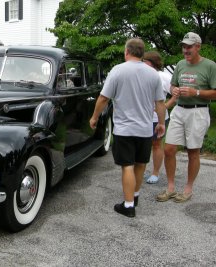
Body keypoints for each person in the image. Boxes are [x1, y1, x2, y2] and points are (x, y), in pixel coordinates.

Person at [90, 38, 166, 218]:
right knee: (140, 164)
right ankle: (135, 195)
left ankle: (128, 205)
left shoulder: (117, 71)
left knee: (127, 167)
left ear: (127, 51)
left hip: (124, 130)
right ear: (141, 53)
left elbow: (103, 98)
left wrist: (94, 118)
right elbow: (160, 102)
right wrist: (161, 123)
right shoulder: (153, 74)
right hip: (145, 129)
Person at [156, 32, 216, 203]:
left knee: (193, 151)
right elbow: (173, 84)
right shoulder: (181, 64)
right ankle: (170, 188)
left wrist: (195, 92)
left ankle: (188, 189)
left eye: (189, 46)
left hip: (198, 111)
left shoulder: (210, 66)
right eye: (184, 46)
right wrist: (174, 90)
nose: (185, 50)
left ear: (198, 46)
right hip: (179, 109)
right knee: (168, 149)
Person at [142, 51, 177, 184]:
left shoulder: (163, 76)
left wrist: (165, 106)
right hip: (141, 117)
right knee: (143, 145)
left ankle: (155, 173)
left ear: (150, 63)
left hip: (157, 119)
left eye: (144, 61)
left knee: (156, 145)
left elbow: (176, 93)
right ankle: (140, 170)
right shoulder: (140, 75)